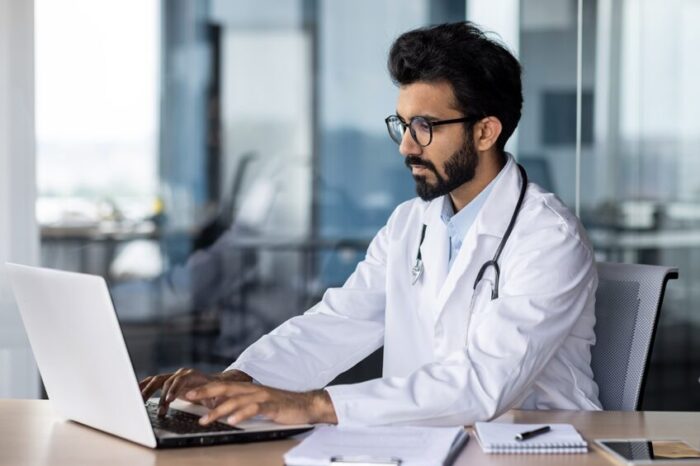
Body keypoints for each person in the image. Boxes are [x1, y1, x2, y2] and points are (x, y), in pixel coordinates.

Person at [140, 21, 602, 428]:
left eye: (424, 126)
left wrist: (314, 406)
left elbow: (483, 382)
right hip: (426, 441)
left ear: (485, 131)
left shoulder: (547, 238)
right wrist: (237, 382)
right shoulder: (411, 223)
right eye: (401, 124)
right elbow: (340, 321)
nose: (405, 146)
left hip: (537, 445)